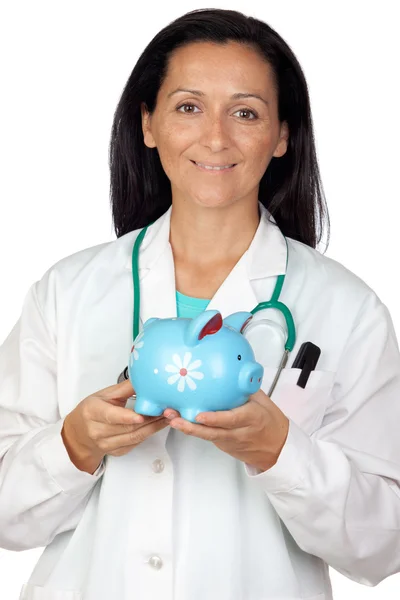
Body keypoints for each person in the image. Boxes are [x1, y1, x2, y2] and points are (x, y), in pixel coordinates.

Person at [1, 7, 400, 600]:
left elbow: (384, 544)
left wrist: (280, 452)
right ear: (148, 123)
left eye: (245, 112)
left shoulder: (347, 308)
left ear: (284, 135)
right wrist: (75, 445)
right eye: (189, 107)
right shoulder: (66, 291)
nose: (216, 137)